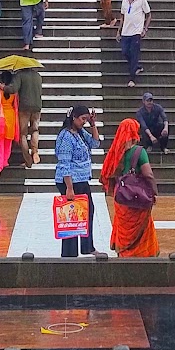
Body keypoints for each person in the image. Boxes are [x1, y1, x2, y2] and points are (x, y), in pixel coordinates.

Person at [99, 117, 158, 257]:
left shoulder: (115, 153)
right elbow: (148, 174)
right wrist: (154, 191)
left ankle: (124, 253)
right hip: (138, 197)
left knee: (123, 227)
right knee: (143, 228)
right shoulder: (139, 152)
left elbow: (108, 173)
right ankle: (141, 254)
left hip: (121, 198)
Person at [55, 106, 101, 257]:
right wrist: (69, 188)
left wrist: (93, 124)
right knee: (71, 216)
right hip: (70, 181)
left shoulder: (80, 133)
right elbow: (64, 163)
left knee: (88, 212)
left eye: (86, 119)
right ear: (73, 117)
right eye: (83, 119)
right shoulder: (66, 136)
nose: (84, 122)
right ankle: (69, 252)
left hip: (81, 180)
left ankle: (87, 247)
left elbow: (95, 143)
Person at [10, 62, 44, 168]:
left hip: (24, 107)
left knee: (23, 134)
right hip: (37, 106)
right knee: (35, 130)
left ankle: (28, 160)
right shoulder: (38, 76)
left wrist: (1, 86)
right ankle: (35, 152)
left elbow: (12, 89)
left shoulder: (19, 75)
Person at [118, 0, 152, 86]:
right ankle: (136, 66)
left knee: (134, 53)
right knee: (125, 52)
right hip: (125, 32)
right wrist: (118, 31)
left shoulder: (142, 1)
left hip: (136, 32)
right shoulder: (124, 1)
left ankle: (132, 78)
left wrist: (145, 29)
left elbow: (149, 15)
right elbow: (122, 17)